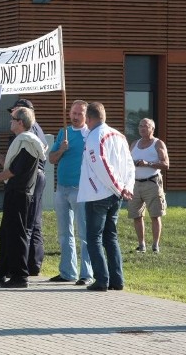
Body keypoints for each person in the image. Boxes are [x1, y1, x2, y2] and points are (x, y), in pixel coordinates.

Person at [0, 107, 46, 288]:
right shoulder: (22, 141)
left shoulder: (27, 142)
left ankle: (20, 276)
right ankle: (1, 271)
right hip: (14, 192)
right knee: (6, 234)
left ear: (20, 122)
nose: (10, 121)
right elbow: (12, 166)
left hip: (20, 193)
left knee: (17, 235)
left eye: (13, 118)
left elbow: (14, 171)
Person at [78, 102, 134, 291]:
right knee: (110, 237)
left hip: (99, 194)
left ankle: (102, 280)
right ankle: (117, 280)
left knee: (94, 237)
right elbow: (129, 165)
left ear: (89, 118)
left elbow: (101, 166)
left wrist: (119, 187)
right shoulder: (119, 135)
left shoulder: (95, 136)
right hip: (115, 194)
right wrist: (127, 187)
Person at [48, 100, 93, 285]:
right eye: (73, 113)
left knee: (84, 233)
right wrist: (61, 149)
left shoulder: (89, 135)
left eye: (79, 114)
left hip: (80, 189)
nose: (74, 117)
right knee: (64, 233)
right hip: (62, 189)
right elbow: (51, 159)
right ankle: (68, 272)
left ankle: (87, 274)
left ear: (86, 116)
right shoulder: (63, 133)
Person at [7, 99, 47, 276]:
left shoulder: (31, 131)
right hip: (33, 177)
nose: (12, 114)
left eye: (16, 111)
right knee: (32, 222)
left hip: (30, 178)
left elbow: (20, 166)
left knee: (28, 224)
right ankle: (32, 264)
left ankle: (27, 266)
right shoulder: (31, 130)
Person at [127, 118, 169, 253]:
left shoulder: (158, 144)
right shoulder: (134, 144)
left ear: (152, 128)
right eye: (140, 126)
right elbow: (126, 161)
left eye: (146, 126)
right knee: (137, 215)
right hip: (135, 184)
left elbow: (166, 164)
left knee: (155, 215)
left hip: (152, 183)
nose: (142, 128)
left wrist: (148, 164)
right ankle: (141, 245)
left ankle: (155, 246)